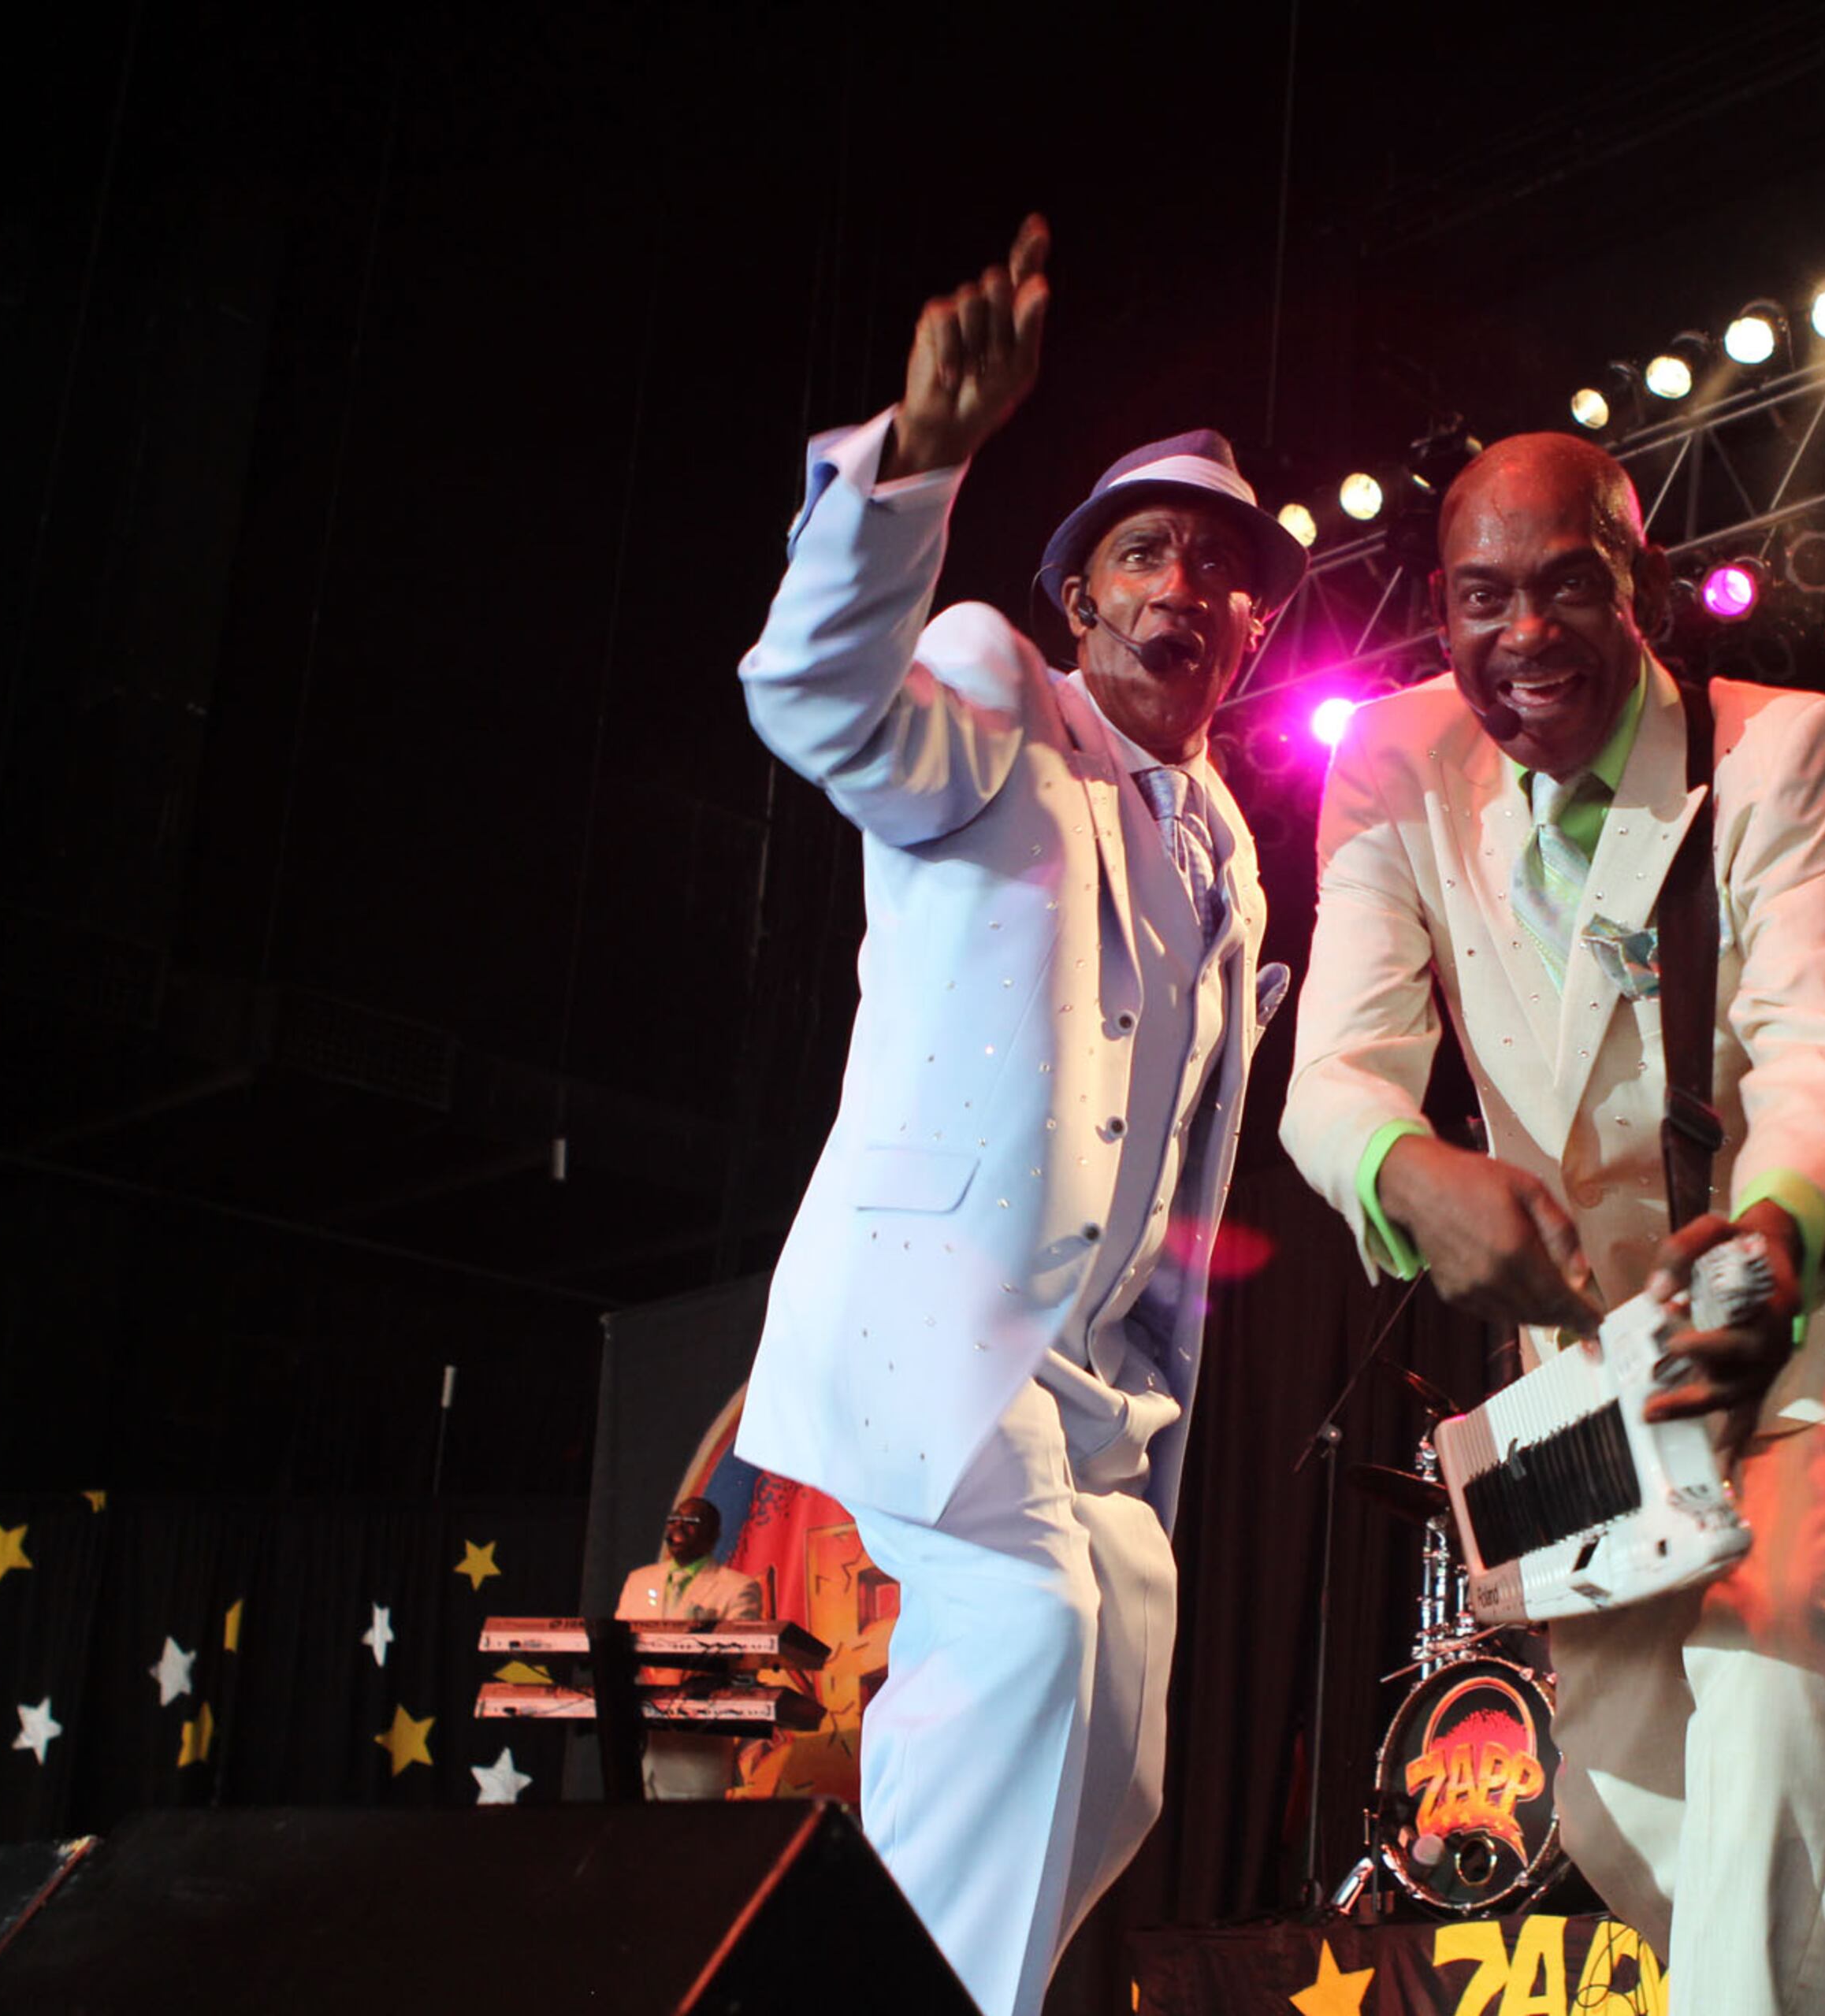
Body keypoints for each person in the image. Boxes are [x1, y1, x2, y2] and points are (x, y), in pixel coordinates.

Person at [1280, 431, 1825, 2014]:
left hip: (1814, 1290)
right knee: (1623, 1793)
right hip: (1592, 1353)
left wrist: (1767, 1245)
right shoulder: (1388, 768)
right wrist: (1404, 1167)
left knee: (1772, 1646)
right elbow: (1332, 1074)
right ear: (1438, 615)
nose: (1524, 637)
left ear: (1643, 584)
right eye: (1480, 600)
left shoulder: (1784, 748)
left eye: (1566, 586)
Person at [726, 215, 1306, 2016]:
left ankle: (867, 1973)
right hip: (945, 1316)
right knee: (1036, 1642)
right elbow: (814, 693)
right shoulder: (994, 692)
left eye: (1224, 574)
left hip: (1102, 1375)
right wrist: (919, 457)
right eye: (1148, 555)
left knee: (1113, 1725)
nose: (1188, 593)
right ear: (1078, 596)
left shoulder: (1233, 852)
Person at [615, 1498, 767, 1800]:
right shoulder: (639, 1581)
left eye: (691, 1522)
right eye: (674, 1519)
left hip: (695, 1756)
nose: (678, 1527)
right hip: (640, 1750)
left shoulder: (737, 1588)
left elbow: (743, 1660)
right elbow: (618, 1652)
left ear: (713, 1535)